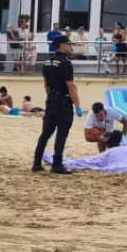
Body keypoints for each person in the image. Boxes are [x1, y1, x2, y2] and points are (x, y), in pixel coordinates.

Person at [33, 34, 82, 174]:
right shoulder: (66, 63)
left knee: (45, 133)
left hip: (51, 101)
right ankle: (57, 163)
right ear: (62, 45)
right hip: (63, 102)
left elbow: (45, 84)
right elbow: (71, 86)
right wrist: (77, 105)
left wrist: (50, 97)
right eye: (68, 44)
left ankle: (36, 162)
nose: (69, 46)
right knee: (61, 134)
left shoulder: (47, 63)